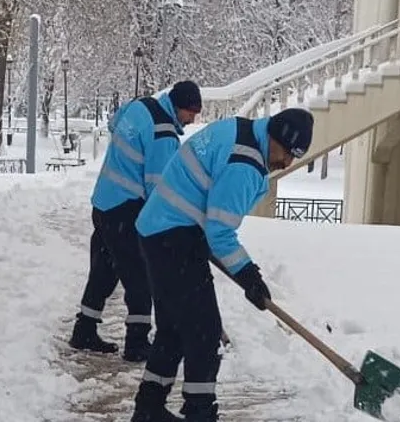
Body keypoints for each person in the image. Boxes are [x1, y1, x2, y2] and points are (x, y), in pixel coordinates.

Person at [129, 107, 314, 422]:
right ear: (275, 137)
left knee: (173, 329)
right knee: (205, 333)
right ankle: (199, 413)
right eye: (287, 153)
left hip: (161, 229)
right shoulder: (245, 165)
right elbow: (220, 232)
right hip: (174, 238)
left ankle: (149, 409)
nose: (286, 163)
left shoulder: (241, 129)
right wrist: (249, 276)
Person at [68, 80, 203, 362]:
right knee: (140, 277)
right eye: (191, 113)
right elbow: (158, 190)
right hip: (126, 210)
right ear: (179, 107)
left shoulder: (139, 105)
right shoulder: (164, 134)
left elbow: (114, 124)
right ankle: (137, 343)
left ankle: (84, 330)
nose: (192, 119)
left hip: (103, 201)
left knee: (103, 270)